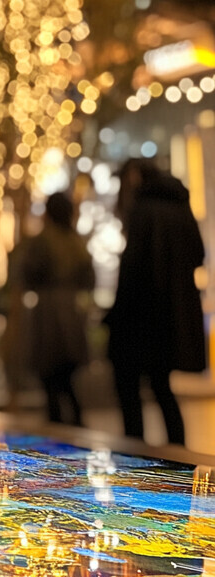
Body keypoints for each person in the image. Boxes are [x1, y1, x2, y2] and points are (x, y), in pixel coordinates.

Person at [105, 158, 206, 445]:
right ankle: (178, 458)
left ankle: (135, 458)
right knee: (162, 387)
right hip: (171, 316)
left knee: (129, 387)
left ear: (134, 177)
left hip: (141, 317)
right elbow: (197, 255)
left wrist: (116, 314)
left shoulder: (143, 209)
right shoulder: (180, 206)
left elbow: (133, 270)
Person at [15, 192, 95, 426]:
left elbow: (27, 274)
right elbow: (89, 279)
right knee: (68, 374)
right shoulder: (76, 242)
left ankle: (57, 429)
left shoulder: (42, 241)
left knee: (49, 376)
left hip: (48, 311)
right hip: (72, 310)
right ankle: (77, 424)